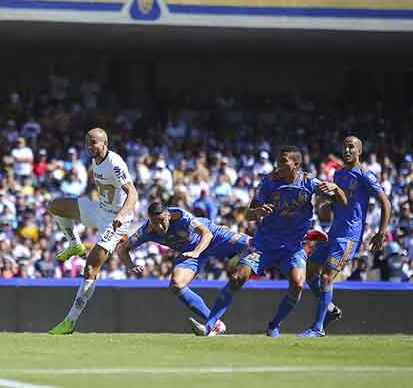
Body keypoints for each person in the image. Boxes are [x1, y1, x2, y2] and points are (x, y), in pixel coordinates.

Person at [192, 146, 347, 337]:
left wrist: (336, 189)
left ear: (295, 165)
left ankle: (274, 325)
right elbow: (249, 214)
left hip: (292, 247)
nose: (278, 165)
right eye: (278, 161)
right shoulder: (267, 182)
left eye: (284, 161)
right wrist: (258, 212)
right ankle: (209, 325)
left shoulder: (308, 182)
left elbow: (342, 201)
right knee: (237, 277)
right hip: (264, 243)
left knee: (298, 284)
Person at [47, 128, 137, 335]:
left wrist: (121, 216)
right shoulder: (94, 160)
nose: (89, 145)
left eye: (94, 142)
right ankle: (74, 244)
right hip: (100, 209)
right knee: (55, 206)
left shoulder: (115, 163)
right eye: (87, 141)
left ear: (105, 143)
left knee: (90, 270)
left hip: (116, 221)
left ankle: (70, 321)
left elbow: (133, 193)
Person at [299, 136, 391, 337]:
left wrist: (381, 233)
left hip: (349, 237)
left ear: (359, 152)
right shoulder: (339, 173)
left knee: (326, 278)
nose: (347, 150)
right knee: (309, 269)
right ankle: (330, 308)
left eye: (351, 147)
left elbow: (385, 202)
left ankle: (318, 328)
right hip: (333, 233)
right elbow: (343, 200)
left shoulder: (365, 175)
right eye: (345, 147)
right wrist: (328, 200)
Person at [117, 202, 250, 336]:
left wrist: (197, 252)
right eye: (154, 222)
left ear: (168, 215)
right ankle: (215, 323)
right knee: (176, 284)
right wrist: (130, 266)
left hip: (213, 236)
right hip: (189, 252)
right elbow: (122, 249)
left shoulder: (180, 215)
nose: (159, 226)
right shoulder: (147, 231)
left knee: (252, 245)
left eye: (162, 220)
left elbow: (206, 234)